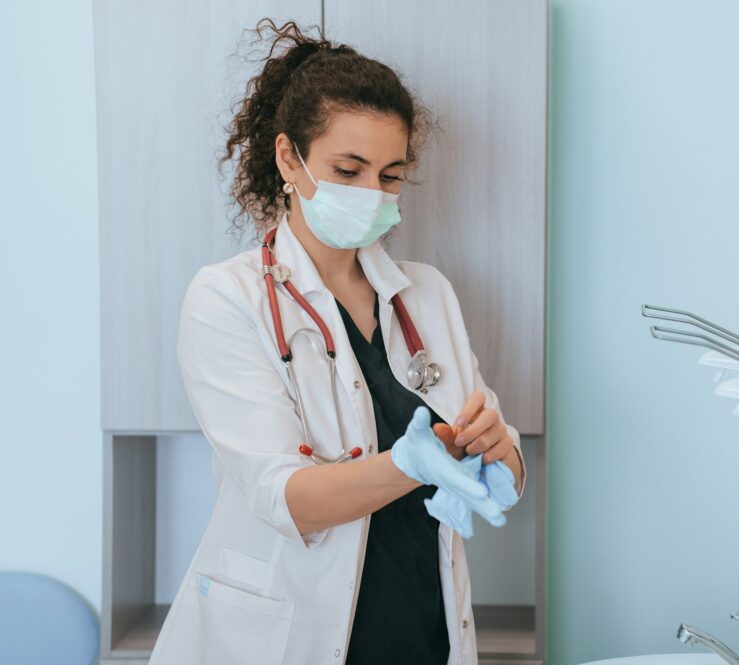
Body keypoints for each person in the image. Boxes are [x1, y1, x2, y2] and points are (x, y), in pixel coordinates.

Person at [148, 19, 526, 665]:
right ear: (289, 158)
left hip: (420, 621)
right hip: (290, 631)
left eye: (390, 175)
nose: (371, 194)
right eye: (348, 170)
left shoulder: (426, 293)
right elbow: (283, 496)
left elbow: (492, 449)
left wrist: (499, 456)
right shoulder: (227, 298)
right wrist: (407, 464)